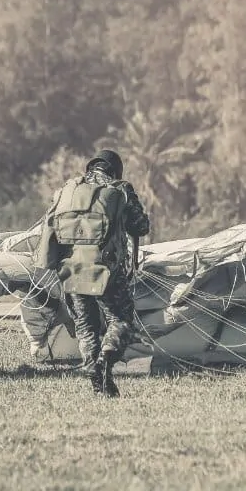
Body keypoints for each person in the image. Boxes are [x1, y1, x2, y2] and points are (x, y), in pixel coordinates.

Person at [34, 149, 150, 397]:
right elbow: (141, 227)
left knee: (86, 327)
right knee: (121, 321)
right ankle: (106, 359)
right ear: (115, 170)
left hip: (71, 270)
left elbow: (49, 227)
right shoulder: (120, 189)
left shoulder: (68, 190)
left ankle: (94, 374)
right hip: (107, 270)